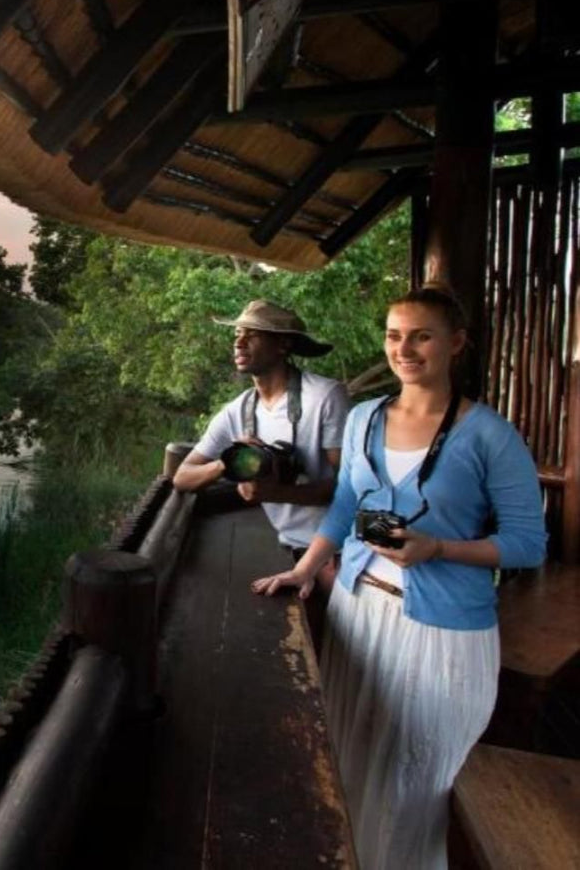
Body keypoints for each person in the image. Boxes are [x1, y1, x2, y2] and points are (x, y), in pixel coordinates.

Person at [252, 287, 546, 870]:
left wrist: (440, 548)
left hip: (443, 636)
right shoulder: (363, 419)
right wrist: (306, 568)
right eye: (393, 335)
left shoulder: (489, 434)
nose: (403, 348)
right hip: (359, 614)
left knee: (416, 788)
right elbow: (343, 506)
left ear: (455, 343)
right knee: (346, 763)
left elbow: (528, 543)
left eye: (421, 335)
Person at [173, 299, 350, 558]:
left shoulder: (325, 396)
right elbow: (182, 477)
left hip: (339, 548)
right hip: (290, 545)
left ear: (283, 344)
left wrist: (279, 493)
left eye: (252, 334)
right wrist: (230, 461)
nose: (239, 342)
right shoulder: (238, 411)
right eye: (237, 334)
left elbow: (351, 485)